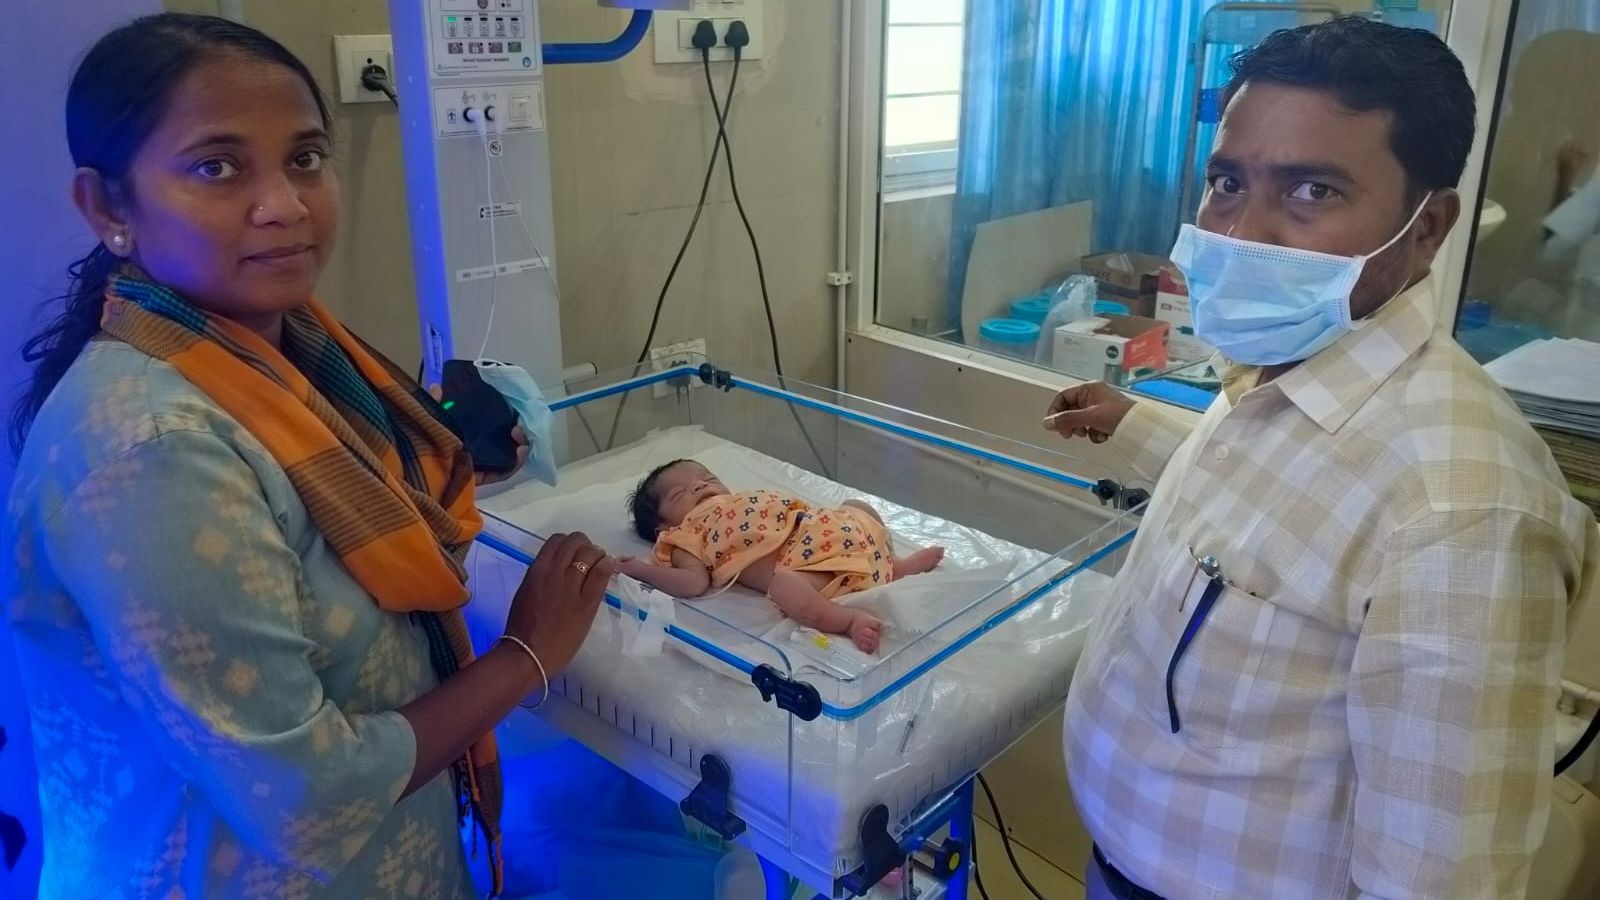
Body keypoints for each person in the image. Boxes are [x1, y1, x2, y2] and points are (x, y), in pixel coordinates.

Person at [2, 14, 616, 898]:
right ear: (109, 208)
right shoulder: (155, 453)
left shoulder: (280, 354)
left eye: (305, 157)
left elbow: (311, 515)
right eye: (217, 167)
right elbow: (305, 797)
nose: (285, 205)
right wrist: (527, 652)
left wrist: (441, 470)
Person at [1046, 18, 1599, 899]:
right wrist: (1136, 425)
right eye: (1228, 182)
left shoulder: (1464, 515)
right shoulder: (1286, 364)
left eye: (1312, 190)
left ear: (1427, 229)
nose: (1242, 232)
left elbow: (1436, 881)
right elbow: (1278, 504)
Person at [620, 459, 945, 653]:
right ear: (663, 527)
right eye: (681, 493)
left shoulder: (739, 498)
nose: (699, 487)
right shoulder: (685, 534)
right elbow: (692, 582)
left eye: (707, 479)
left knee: (857, 506)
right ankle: (847, 619)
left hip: (826, 528)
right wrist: (640, 570)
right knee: (784, 587)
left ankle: (894, 564)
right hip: (809, 564)